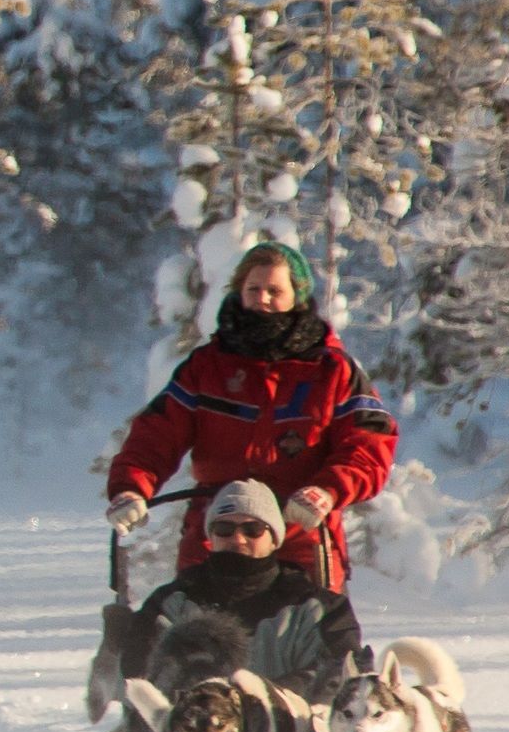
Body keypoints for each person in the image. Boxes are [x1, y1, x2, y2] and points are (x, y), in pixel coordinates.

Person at [107, 241, 397, 586]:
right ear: (238, 292)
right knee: (193, 630)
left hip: (300, 527)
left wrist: (327, 491)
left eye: (275, 290)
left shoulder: (333, 370)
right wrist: (131, 489)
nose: (262, 299)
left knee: (314, 631)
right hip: (218, 529)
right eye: (254, 289)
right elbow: (156, 435)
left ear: (297, 296)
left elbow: (369, 446)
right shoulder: (207, 367)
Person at [119, 479, 364, 698]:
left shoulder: (318, 609)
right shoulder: (172, 602)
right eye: (224, 529)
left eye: (253, 530)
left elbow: (340, 675)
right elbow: (141, 671)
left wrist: (260, 702)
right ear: (211, 536)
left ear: (274, 539)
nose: (238, 539)